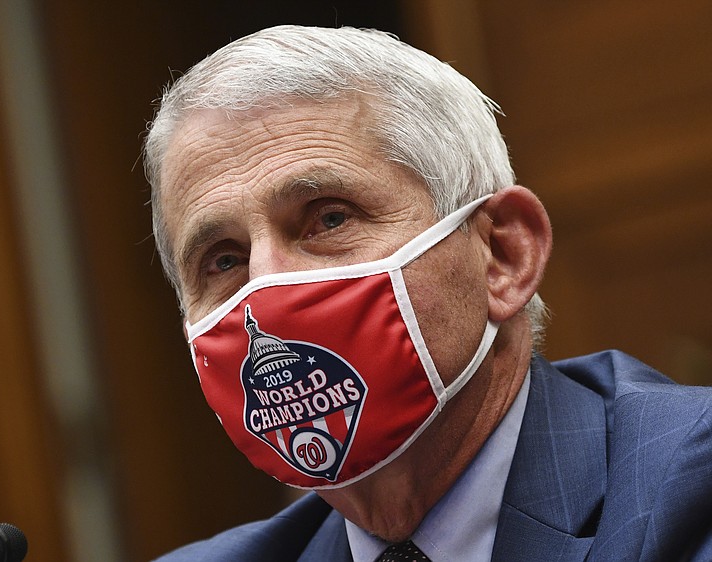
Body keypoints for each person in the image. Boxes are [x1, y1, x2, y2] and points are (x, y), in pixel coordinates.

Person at [142, 25, 712, 562]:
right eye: (224, 259)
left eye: (330, 219)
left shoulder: (687, 492)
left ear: (502, 257)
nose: (267, 285)